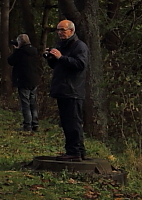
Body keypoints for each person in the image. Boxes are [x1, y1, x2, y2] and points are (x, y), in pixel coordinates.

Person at [45, 19, 89, 161]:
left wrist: (61, 57)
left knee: (73, 122)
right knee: (66, 122)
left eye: (62, 30)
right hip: (62, 89)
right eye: (58, 30)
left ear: (71, 30)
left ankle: (75, 152)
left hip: (73, 91)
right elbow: (58, 66)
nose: (59, 33)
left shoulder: (79, 46)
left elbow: (80, 64)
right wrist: (51, 58)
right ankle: (76, 151)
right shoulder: (61, 45)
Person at [7, 33, 41, 133]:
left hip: (23, 80)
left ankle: (27, 125)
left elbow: (10, 61)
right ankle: (35, 124)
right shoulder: (34, 51)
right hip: (34, 80)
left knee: (25, 104)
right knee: (33, 103)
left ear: (20, 42)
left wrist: (16, 50)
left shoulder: (20, 52)